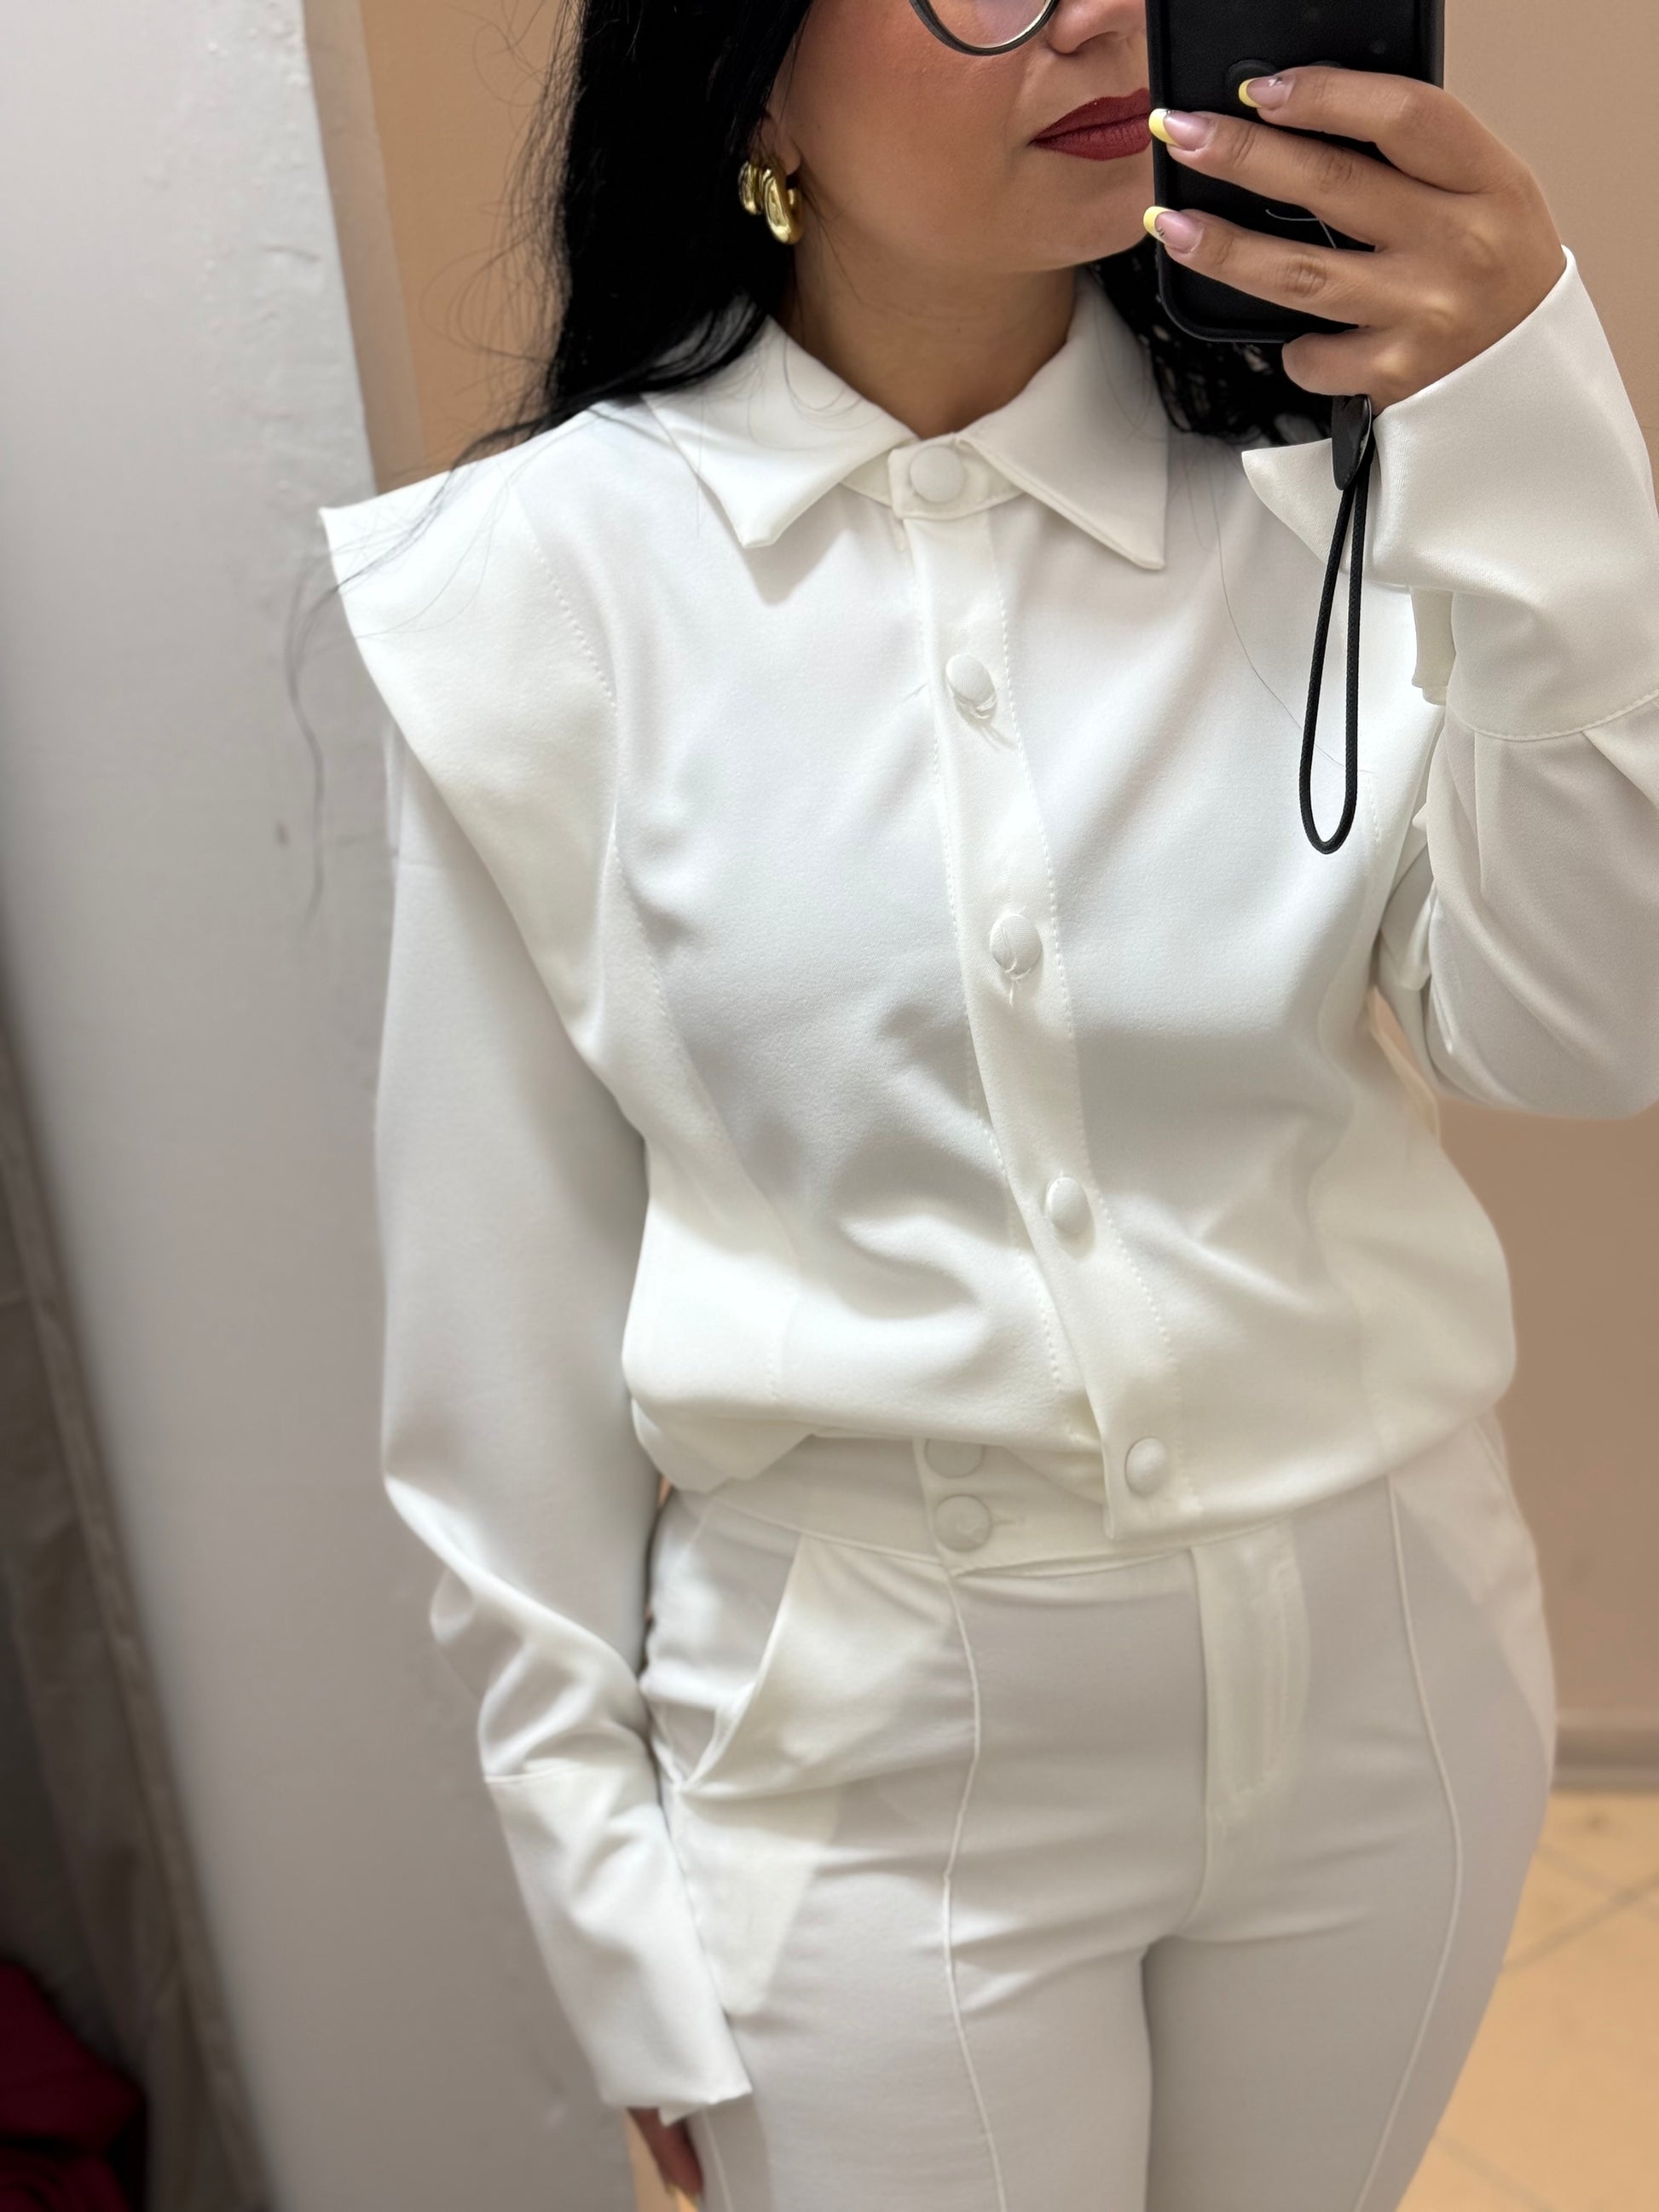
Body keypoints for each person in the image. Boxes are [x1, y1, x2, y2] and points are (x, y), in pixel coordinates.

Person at [318, 0, 1659, 2203]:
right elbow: (500, 1345)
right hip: (868, 1775)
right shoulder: (541, 595)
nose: (1100, 14)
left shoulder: (1336, 480)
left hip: (1391, 1696)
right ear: (748, 68)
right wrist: (606, 1913)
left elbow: (1588, 1024)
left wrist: (1536, 429)